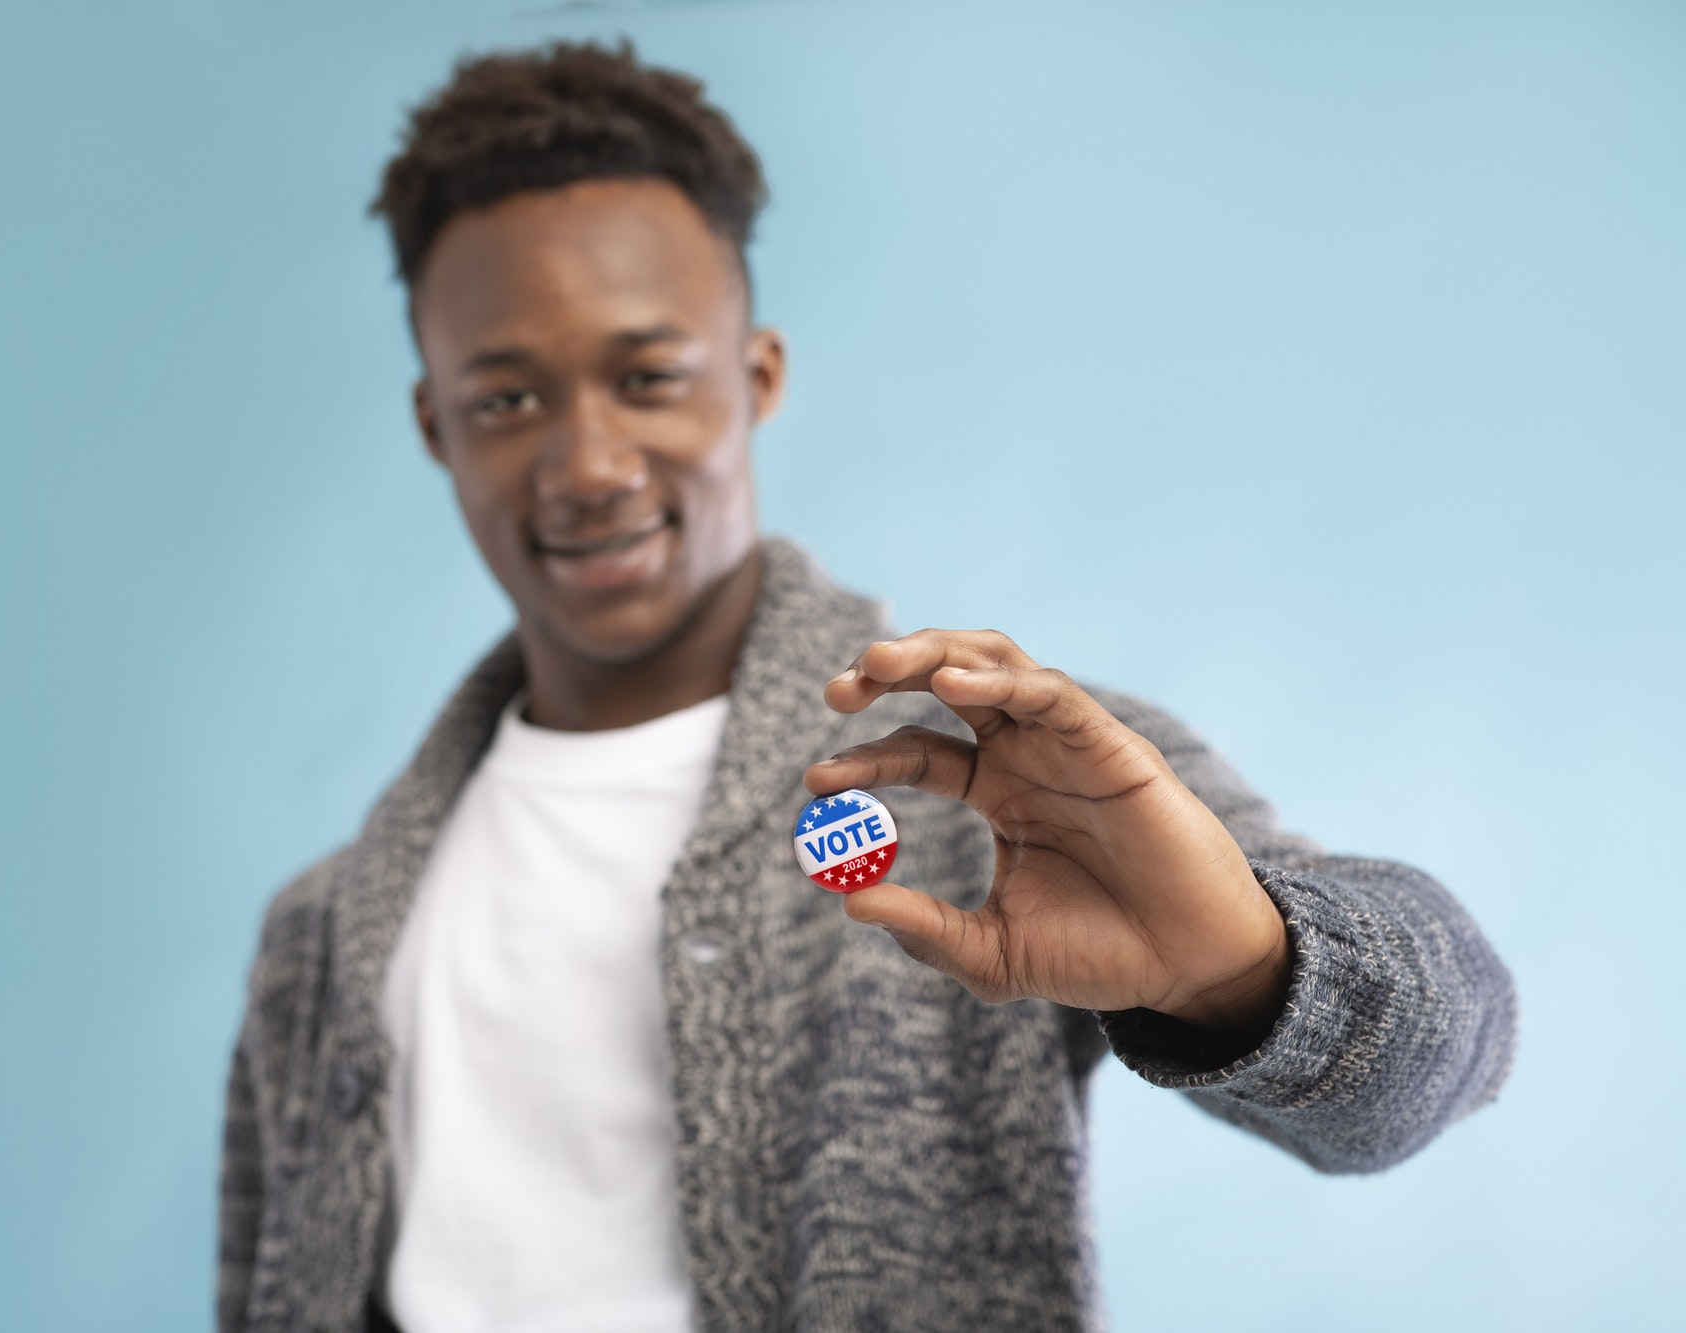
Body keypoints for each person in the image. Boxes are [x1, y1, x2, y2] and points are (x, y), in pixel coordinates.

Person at [217, 40, 1516, 1333]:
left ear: (756, 377)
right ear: (436, 425)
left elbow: (1448, 1051)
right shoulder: (324, 931)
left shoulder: (1010, 786)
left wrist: (1244, 967)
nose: (587, 463)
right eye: (505, 397)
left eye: (648, 376)